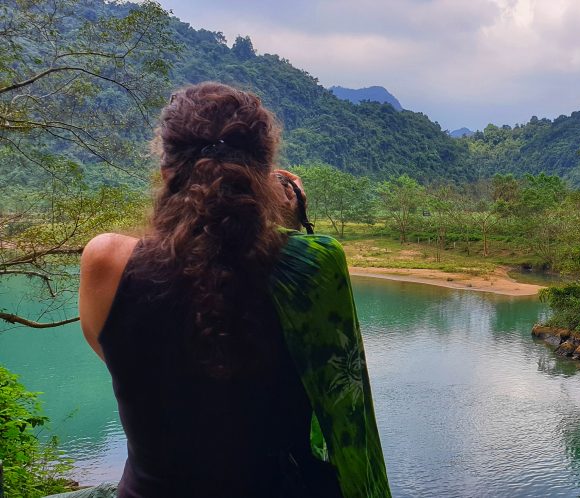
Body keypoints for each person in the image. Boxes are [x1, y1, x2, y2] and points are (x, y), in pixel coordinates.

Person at [77, 82, 389, 498]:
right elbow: (322, 374)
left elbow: (122, 359)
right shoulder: (311, 265)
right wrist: (286, 221)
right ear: (263, 173)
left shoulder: (105, 260)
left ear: (167, 169)